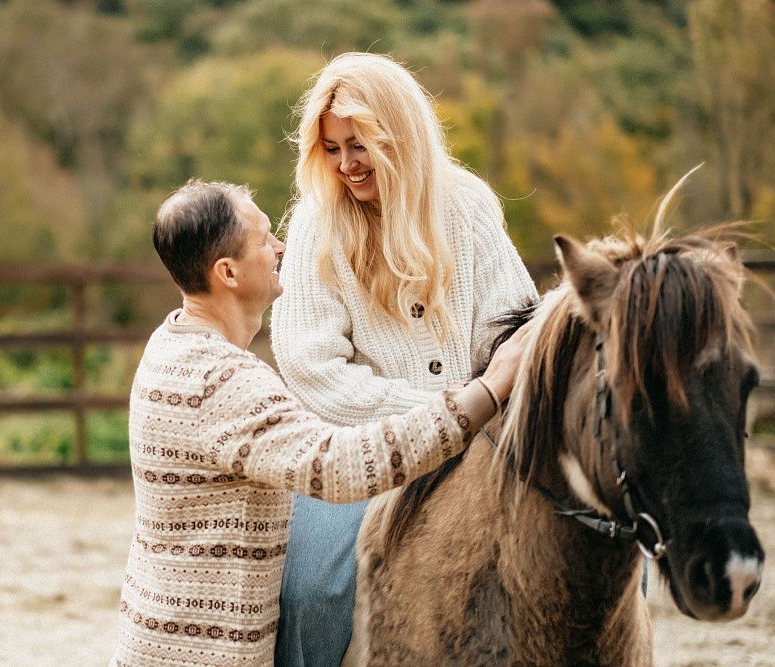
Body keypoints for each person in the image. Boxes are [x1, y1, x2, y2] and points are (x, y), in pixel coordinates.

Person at [110, 178, 532, 667]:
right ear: (228, 272)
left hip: (158, 640)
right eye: (264, 239)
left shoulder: (170, 345)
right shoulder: (223, 381)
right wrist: (486, 391)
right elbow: (339, 466)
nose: (280, 247)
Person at [271, 52, 538, 667]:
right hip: (355, 453)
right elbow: (311, 370)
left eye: (359, 144)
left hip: (484, 441)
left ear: (399, 135)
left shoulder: (468, 206)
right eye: (332, 149)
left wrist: (479, 414)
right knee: (309, 589)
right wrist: (445, 413)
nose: (346, 165)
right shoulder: (317, 222)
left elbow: (514, 327)